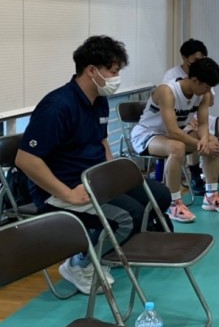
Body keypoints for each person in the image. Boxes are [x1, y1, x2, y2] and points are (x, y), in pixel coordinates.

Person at [16, 35, 172, 295]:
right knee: (129, 216)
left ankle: (109, 248)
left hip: (95, 179)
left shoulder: (98, 99)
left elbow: (101, 141)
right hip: (63, 189)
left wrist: (115, 177)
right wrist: (67, 194)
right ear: (91, 70)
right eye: (113, 71)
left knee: (159, 195)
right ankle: (80, 263)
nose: (116, 78)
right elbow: (26, 159)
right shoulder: (57, 107)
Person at [131, 58, 219, 223]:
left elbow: (203, 124)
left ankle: (210, 195)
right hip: (147, 135)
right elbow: (172, 131)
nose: (209, 91)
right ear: (195, 80)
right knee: (177, 147)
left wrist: (205, 140)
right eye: (207, 86)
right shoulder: (167, 91)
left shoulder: (203, 95)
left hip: (174, 135)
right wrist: (199, 144)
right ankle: (173, 203)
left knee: (213, 142)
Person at [163, 38, 219, 191]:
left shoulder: (205, 75)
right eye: (195, 60)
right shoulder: (171, 76)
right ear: (185, 58)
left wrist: (207, 91)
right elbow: (169, 108)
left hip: (200, 117)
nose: (199, 62)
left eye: (202, 59)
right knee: (196, 133)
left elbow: (208, 103)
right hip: (183, 120)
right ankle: (195, 176)